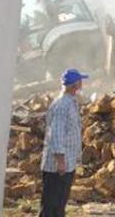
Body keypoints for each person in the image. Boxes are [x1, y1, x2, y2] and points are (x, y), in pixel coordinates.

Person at [39, 69, 88, 217]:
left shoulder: (71, 101)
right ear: (75, 84)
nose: (82, 83)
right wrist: (60, 162)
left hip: (68, 162)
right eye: (80, 81)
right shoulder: (62, 105)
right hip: (57, 166)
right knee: (50, 205)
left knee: (59, 204)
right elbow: (57, 134)